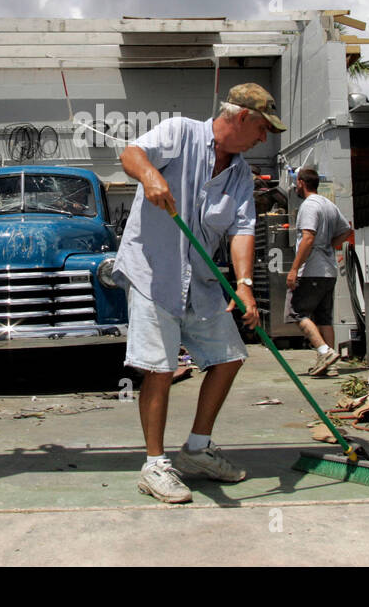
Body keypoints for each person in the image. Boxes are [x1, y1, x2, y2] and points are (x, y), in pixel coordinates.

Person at [114, 83, 285, 503]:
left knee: (229, 357)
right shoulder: (180, 132)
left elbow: (242, 229)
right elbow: (130, 154)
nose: (265, 138)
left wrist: (244, 284)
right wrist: (151, 175)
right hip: (154, 273)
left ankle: (196, 448)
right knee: (159, 367)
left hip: (202, 278)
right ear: (243, 117)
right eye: (263, 128)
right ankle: (154, 465)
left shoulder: (241, 173)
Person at [285, 166, 353, 377]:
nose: (296, 186)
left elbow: (308, 237)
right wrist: (330, 246)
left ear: (302, 183)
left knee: (295, 311)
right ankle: (329, 364)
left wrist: (294, 269)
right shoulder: (329, 205)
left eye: (297, 183)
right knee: (324, 317)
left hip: (312, 271)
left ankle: (324, 351)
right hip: (329, 271)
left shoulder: (309, 206)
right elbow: (347, 230)